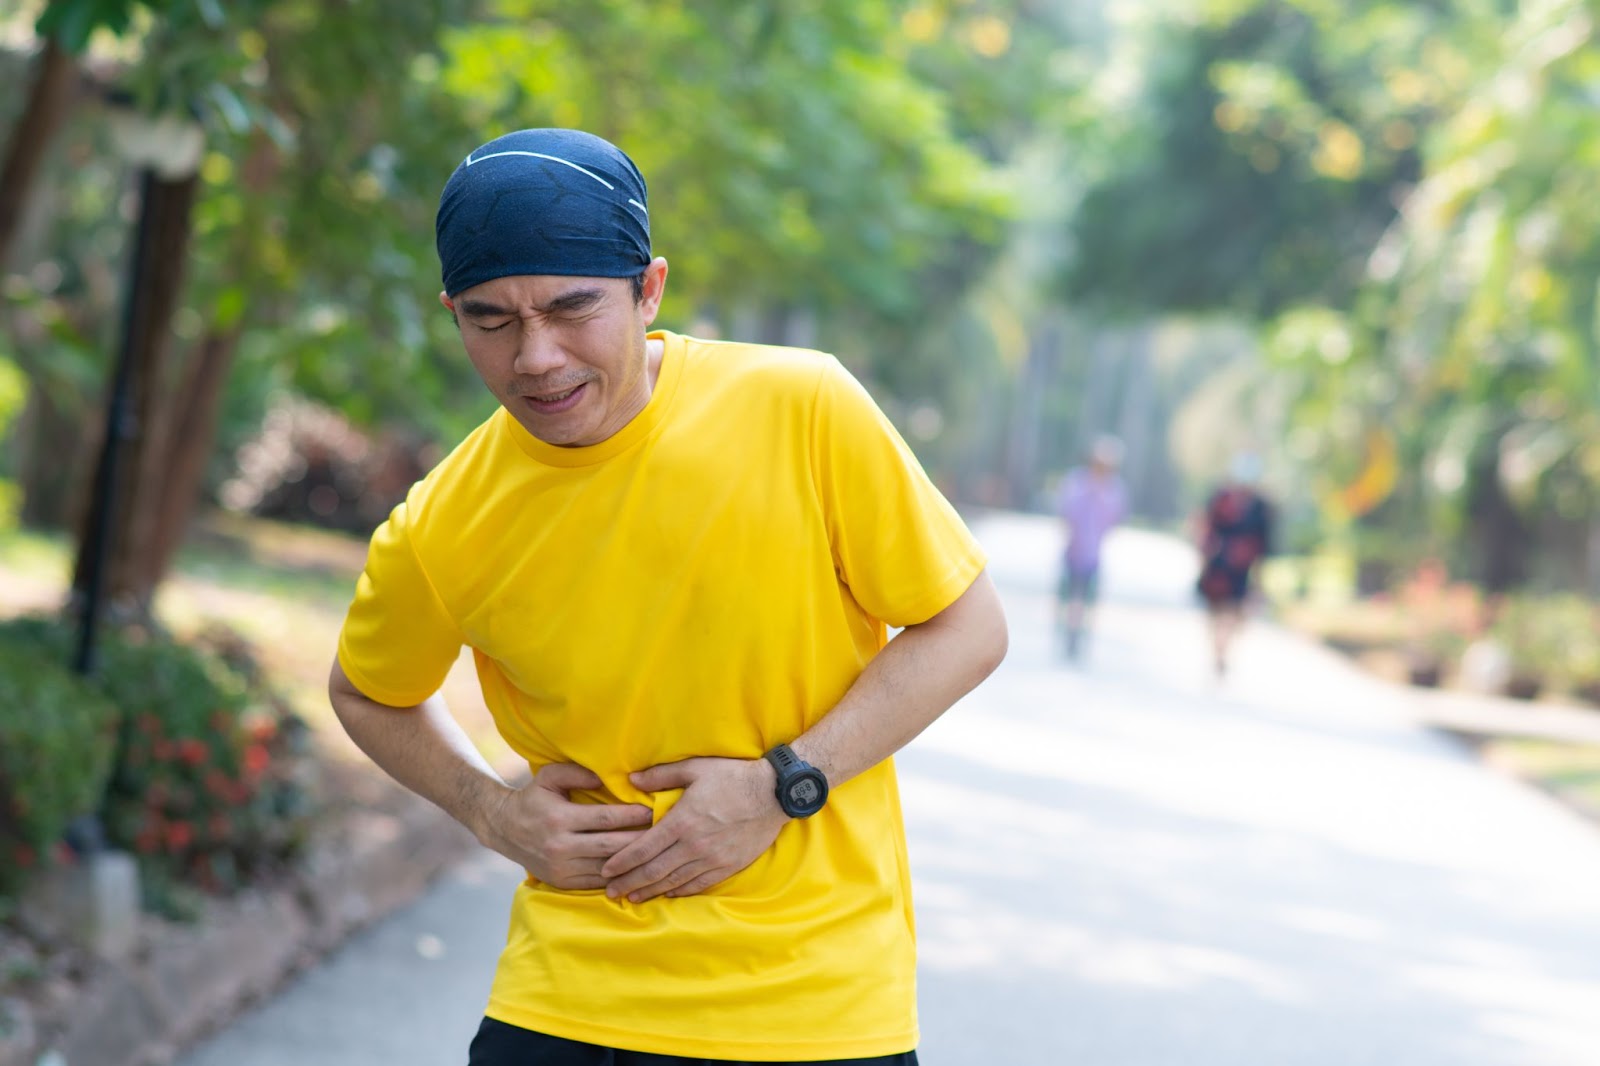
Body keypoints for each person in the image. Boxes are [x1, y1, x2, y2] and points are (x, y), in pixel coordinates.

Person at [327, 128, 1008, 1066]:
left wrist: (783, 785)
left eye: (573, 308)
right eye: (491, 320)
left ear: (649, 290)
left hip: (810, 1011)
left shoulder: (801, 408)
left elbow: (968, 627)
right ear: (453, 313)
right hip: (561, 1010)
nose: (536, 356)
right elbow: (366, 690)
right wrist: (490, 810)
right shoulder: (442, 522)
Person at [1195, 453, 1274, 677]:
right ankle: (1217, 649)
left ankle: (1222, 651)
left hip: (1241, 570)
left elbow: (1262, 547)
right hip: (1217, 566)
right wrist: (1203, 557)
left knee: (1233, 615)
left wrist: (1259, 583)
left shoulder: (1260, 508)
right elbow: (1205, 528)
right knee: (1215, 613)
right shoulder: (1221, 499)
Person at [1053, 435, 1127, 660]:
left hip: (1094, 554)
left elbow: (1115, 518)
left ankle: (1081, 633)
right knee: (1069, 595)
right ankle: (1068, 632)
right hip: (1073, 549)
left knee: (1088, 598)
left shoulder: (1113, 489)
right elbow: (1065, 509)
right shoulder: (1077, 481)